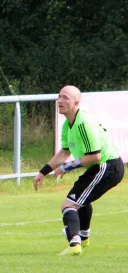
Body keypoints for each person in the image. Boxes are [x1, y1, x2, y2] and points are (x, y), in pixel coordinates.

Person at [33, 85, 124, 256]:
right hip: (101, 167)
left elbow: (95, 156)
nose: (60, 100)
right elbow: (64, 152)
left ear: (76, 103)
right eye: (59, 96)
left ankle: (75, 244)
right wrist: (43, 172)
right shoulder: (68, 124)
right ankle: (83, 237)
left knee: (69, 205)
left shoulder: (83, 123)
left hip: (107, 166)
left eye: (65, 97)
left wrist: (67, 167)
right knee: (81, 201)